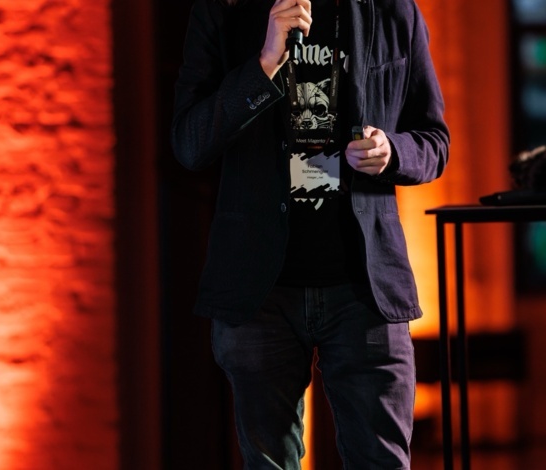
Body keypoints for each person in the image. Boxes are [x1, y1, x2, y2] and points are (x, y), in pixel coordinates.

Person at [171, 0, 449, 467]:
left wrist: (393, 152)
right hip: (259, 291)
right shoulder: (223, 11)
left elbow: (434, 141)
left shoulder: (393, 10)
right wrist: (264, 65)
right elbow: (189, 143)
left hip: (366, 288)